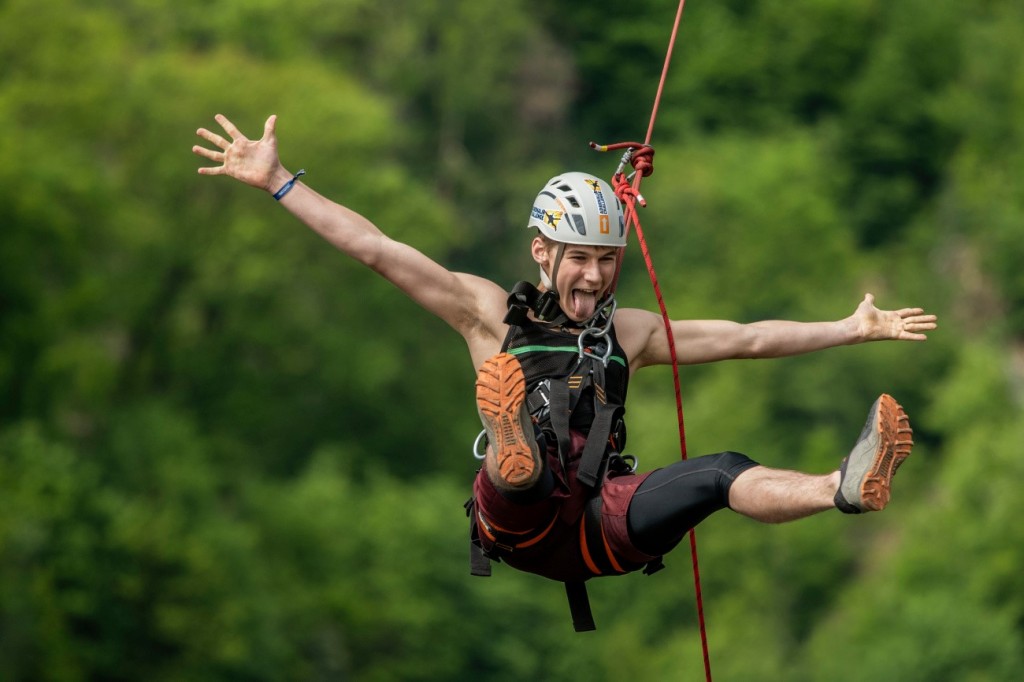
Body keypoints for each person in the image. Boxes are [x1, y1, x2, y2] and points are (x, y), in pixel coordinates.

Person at [193, 114, 938, 630]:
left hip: (597, 527)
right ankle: (509, 433)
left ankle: (838, 489)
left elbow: (744, 338)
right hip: (513, 518)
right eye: (578, 258)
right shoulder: (486, 312)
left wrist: (850, 327)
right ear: (542, 254)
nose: (594, 276)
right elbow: (377, 248)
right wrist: (280, 180)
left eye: (605, 261)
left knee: (718, 474)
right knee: (521, 468)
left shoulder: (630, 332)